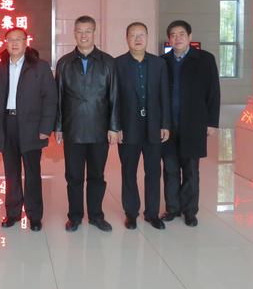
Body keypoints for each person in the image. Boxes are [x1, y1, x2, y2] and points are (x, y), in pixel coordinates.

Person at [55, 15, 120, 232]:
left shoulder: (108, 62)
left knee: (96, 175)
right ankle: (74, 217)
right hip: (72, 128)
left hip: (99, 129)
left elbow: (114, 97)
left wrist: (114, 127)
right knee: (73, 176)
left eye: (88, 31)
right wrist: (58, 127)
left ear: (94, 33)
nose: (83, 35)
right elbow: (58, 98)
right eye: (80, 31)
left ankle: (96, 216)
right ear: (74, 33)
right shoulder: (64, 63)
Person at [0, 28, 57, 232]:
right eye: (10, 40)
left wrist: (46, 127)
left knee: (32, 172)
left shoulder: (40, 66)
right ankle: (13, 213)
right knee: (11, 173)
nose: (14, 43)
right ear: (5, 43)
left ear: (26, 42)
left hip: (32, 126)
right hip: (7, 124)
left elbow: (50, 99)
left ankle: (34, 215)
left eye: (18, 39)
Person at [161, 20, 220, 227]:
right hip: (168, 126)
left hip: (193, 124)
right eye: (173, 35)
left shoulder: (205, 59)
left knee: (191, 170)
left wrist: (212, 122)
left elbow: (214, 92)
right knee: (170, 169)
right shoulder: (163, 61)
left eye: (181, 34)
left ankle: (189, 211)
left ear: (190, 37)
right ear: (169, 39)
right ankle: (172, 208)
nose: (177, 38)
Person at [114, 22, 170, 231]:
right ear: (126, 39)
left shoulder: (159, 64)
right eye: (133, 35)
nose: (137, 39)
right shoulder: (117, 64)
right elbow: (113, 98)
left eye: (141, 35)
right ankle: (131, 213)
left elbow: (164, 95)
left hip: (154, 126)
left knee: (153, 171)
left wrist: (165, 124)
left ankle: (152, 214)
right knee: (128, 171)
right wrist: (116, 126)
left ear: (147, 37)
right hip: (127, 127)